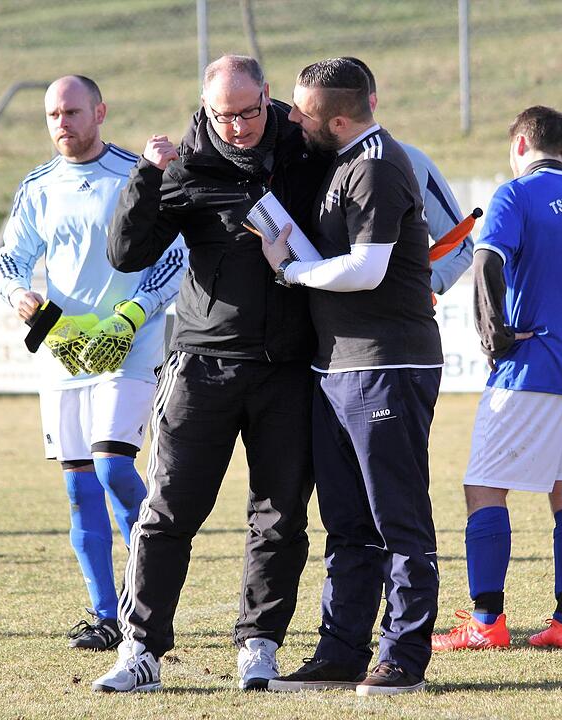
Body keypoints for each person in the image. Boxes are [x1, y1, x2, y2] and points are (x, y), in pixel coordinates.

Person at [90, 55, 331, 693]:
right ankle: (140, 648)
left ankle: (260, 644)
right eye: (223, 114)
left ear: (268, 98)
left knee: (280, 515)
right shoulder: (188, 163)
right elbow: (126, 252)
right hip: (203, 364)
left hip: (287, 368)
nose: (237, 126)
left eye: (249, 111)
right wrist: (145, 175)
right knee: (169, 511)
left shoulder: (307, 152)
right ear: (206, 108)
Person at [261, 58, 443, 696]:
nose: (291, 119)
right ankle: (341, 653)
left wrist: (292, 272)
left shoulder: (376, 166)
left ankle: (403, 658)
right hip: (336, 365)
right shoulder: (341, 161)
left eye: (301, 111)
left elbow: (366, 269)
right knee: (346, 521)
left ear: (337, 119)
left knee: (398, 519)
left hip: (387, 363)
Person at [0, 75, 186, 651]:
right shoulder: (38, 187)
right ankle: (105, 614)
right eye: (53, 114)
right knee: (79, 487)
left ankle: (148, 598)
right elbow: (10, 263)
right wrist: (20, 297)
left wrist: (133, 313)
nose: (62, 123)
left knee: (114, 469)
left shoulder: (134, 175)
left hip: (129, 347)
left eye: (73, 111)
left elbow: (175, 257)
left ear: (99, 111)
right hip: (64, 352)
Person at [431, 106, 562, 652]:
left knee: (483, 485)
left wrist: (493, 336)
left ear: (519, 146)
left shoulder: (515, 194)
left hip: (534, 362)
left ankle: (487, 622)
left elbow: (487, 260)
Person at [343, 57, 474, 294]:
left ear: (371, 102)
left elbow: (459, 244)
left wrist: (415, 288)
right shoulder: (309, 162)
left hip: (402, 322)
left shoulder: (413, 161)